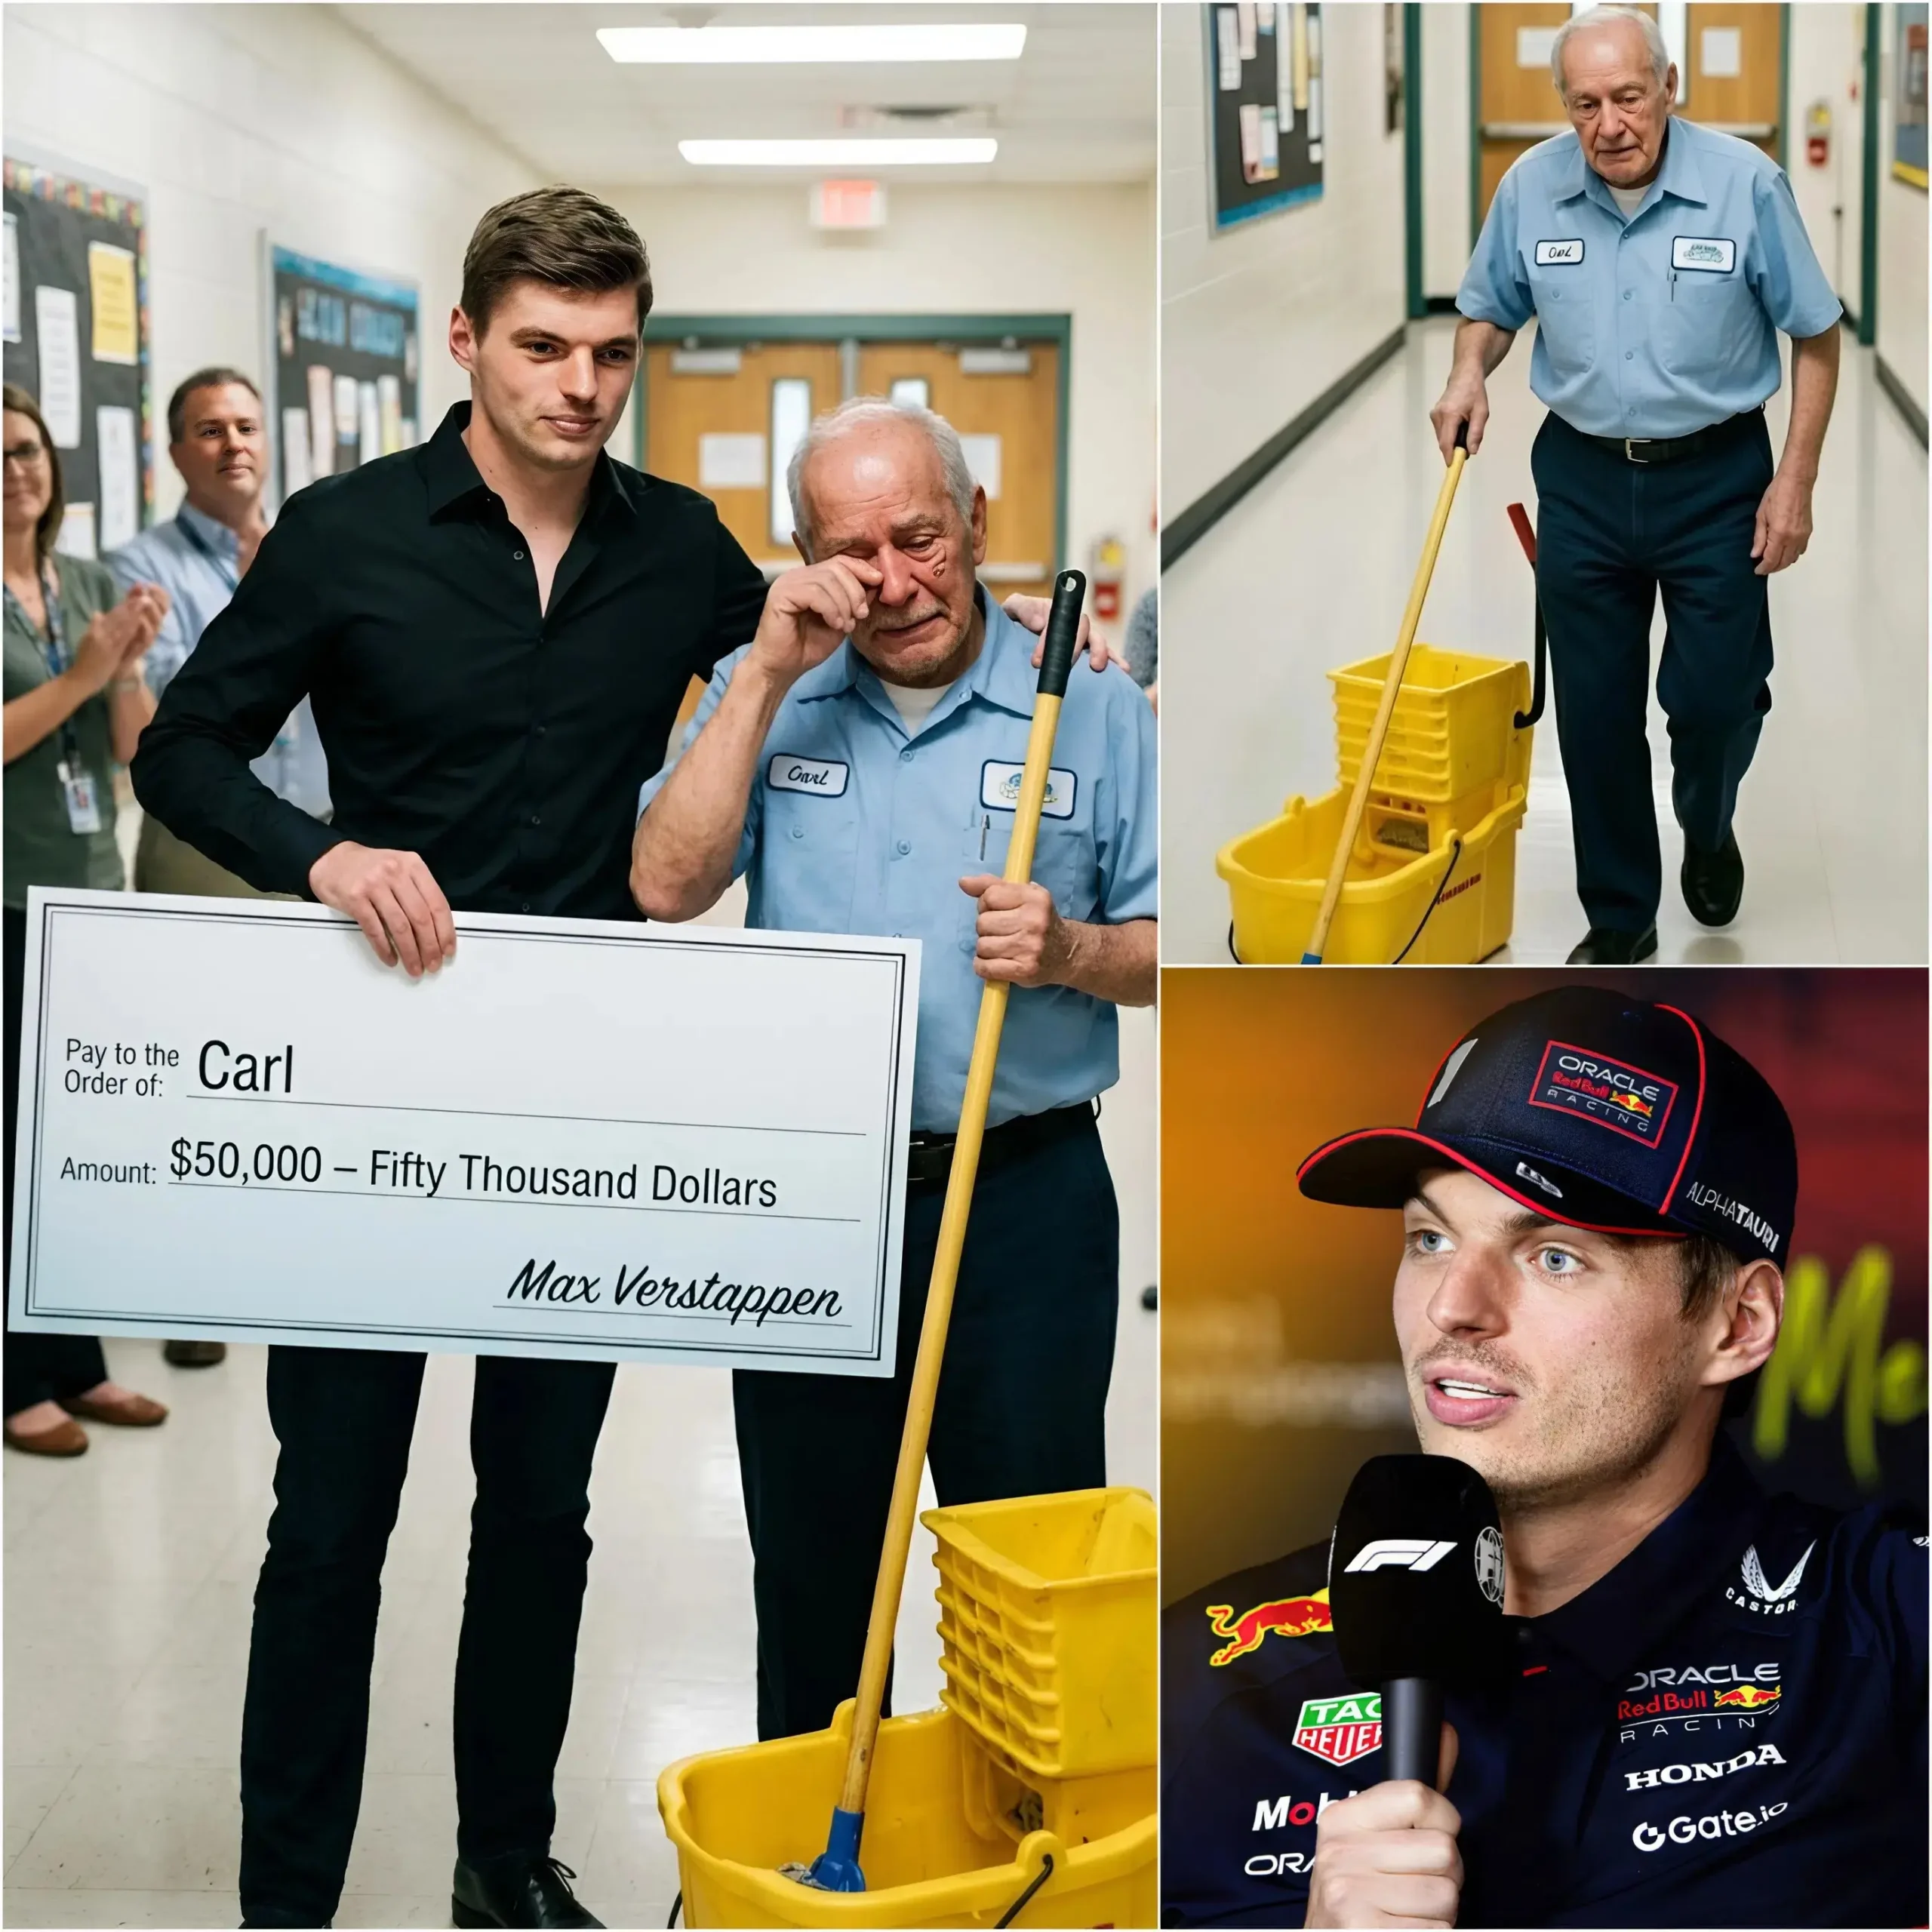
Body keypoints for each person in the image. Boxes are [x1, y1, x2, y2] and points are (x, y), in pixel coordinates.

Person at [131, 189, 1093, 1932]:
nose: (580, 385)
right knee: (328, 1521)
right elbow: (183, 754)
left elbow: (843, 638)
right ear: (465, 344)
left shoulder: (680, 551)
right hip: (374, 1089)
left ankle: (502, 1855)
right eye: (543, 348)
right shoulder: (345, 538)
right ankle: (288, 1897)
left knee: (539, 1512)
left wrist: (1041, 647)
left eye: (611, 354)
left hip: (577, 1101)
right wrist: (320, 857)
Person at [1161, 986, 1927, 1929]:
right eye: (1429, 1237)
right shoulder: (1191, 1677)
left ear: (1738, 1322)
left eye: (1553, 1254)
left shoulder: (1890, 1631)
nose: (1453, 1305)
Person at [632, 395, 1158, 1740]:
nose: (894, 580)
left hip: (1023, 1204)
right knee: (812, 1578)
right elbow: (665, 884)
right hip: (817, 1204)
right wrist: (754, 675)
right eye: (850, 549)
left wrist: (1074, 949)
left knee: (1029, 1582)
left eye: (920, 536)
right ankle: (811, 1849)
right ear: (804, 555)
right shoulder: (778, 694)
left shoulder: (1088, 706)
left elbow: (1167, 955)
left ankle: (1027, 1864)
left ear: (977, 524)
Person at [1431, 5, 1843, 965]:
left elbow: (1815, 335)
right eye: (1584, 104)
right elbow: (1489, 311)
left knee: (1713, 699)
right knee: (1595, 706)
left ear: (1668, 88)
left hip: (1717, 481)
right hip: (1579, 478)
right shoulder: (1530, 189)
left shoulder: (1745, 184)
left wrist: (1796, 480)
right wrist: (1466, 372)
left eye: (1626, 97)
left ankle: (1705, 818)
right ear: (1564, 107)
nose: (1608, 124)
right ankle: (1619, 913)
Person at [109, 367, 318, 1369]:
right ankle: (192, 1288)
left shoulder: (321, 549)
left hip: (321, 838)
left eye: (245, 425)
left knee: (309, 1065)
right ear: (174, 451)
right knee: (208, 1072)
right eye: (208, 430)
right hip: (202, 850)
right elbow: (148, 736)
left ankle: (293, 1261)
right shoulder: (137, 568)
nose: (233, 444)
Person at [2, 383, 172, 1454]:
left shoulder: (86, 579)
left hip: (83, 889)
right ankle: (21, 1384)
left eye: (26, 450)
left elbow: (126, 753)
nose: (16, 469)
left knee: (68, 1149)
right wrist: (79, 673)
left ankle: (82, 1364)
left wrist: (132, 668)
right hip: (3, 892)